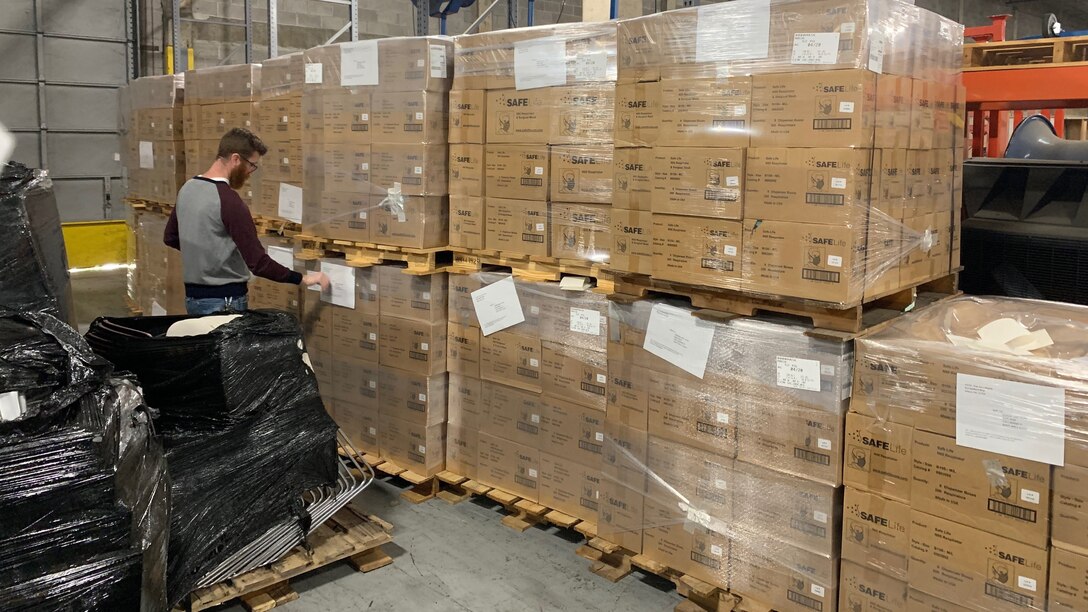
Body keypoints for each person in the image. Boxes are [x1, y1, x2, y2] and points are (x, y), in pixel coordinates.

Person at [164, 128, 328, 315]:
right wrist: (302, 278)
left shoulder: (188, 188)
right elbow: (258, 263)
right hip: (225, 303)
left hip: (194, 300)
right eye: (251, 165)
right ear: (236, 159)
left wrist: (206, 257)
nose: (251, 172)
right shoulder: (229, 201)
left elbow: (170, 237)